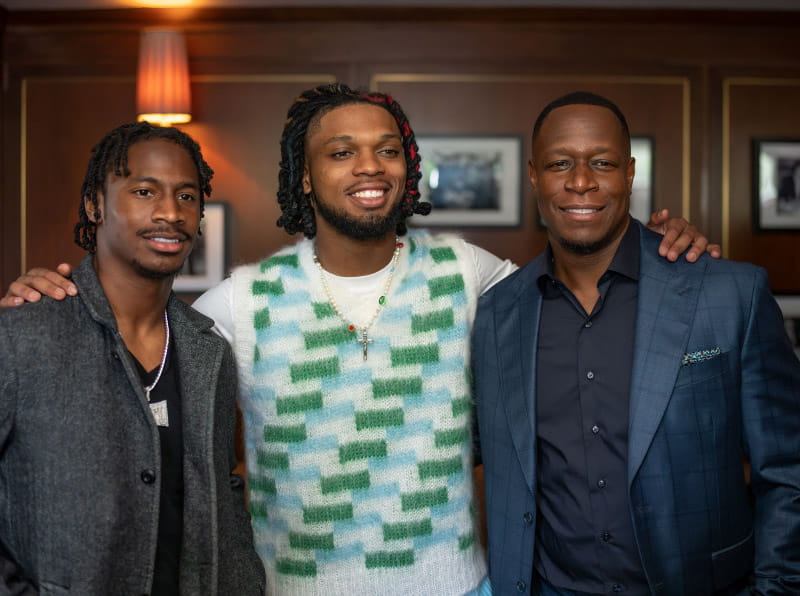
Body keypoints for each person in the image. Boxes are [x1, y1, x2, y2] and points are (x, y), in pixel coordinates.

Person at [1, 84, 716, 595]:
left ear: (408, 169)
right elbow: (134, 344)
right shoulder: (241, 302)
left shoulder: (470, 277)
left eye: (385, 151)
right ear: (306, 178)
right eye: (341, 152)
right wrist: (54, 294)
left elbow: (581, 283)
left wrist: (664, 248)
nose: (368, 168)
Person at [471, 91, 800, 596]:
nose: (581, 181)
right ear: (534, 175)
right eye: (561, 164)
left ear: (628, 173)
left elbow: (788, 468)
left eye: (601, 163)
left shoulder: (729, 293)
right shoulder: (497, 315)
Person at [0, 122, 265, 595]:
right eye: (145, 191)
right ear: (94, 204)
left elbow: (222, 496)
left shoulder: (210, 353)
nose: (170, 212)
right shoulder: (24, 335)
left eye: (187, 196)